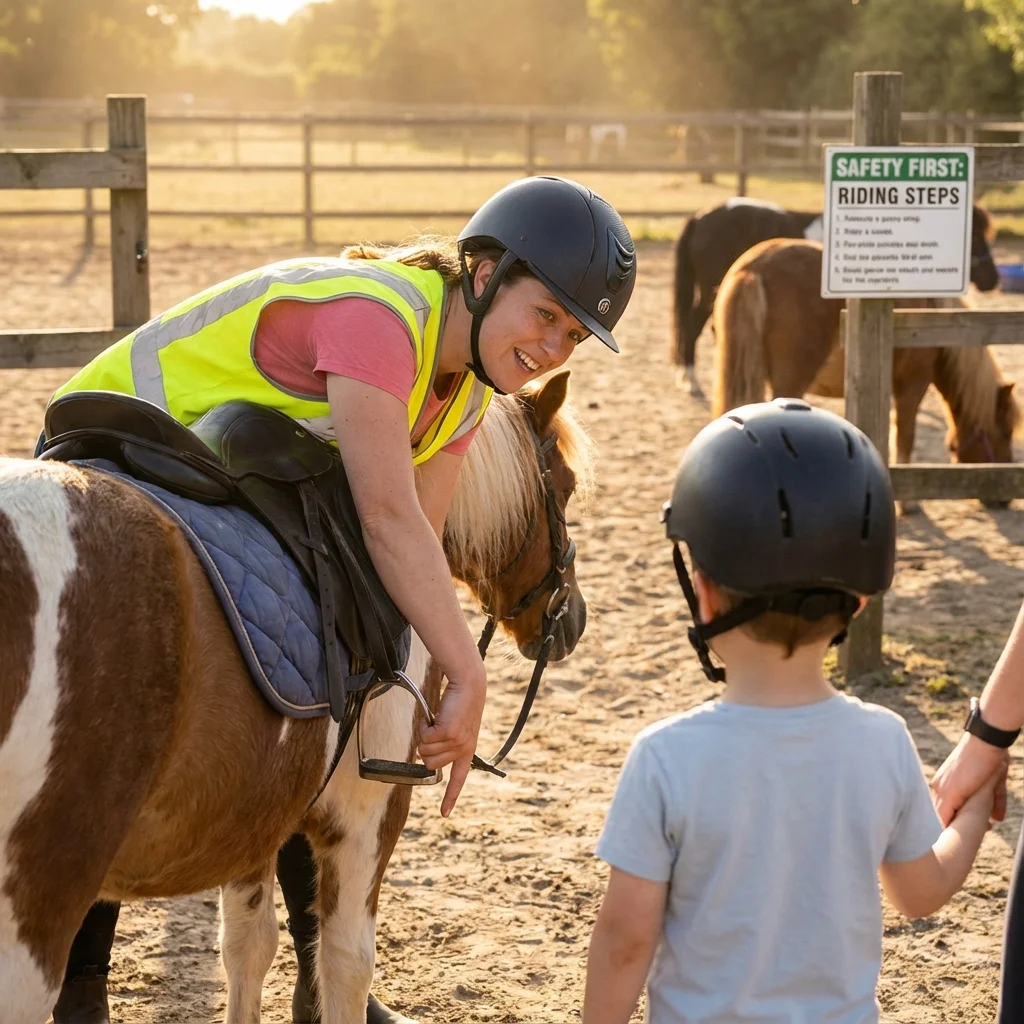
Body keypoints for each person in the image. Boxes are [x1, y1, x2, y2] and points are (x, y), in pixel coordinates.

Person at [45, 175, 637, 1024]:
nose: (553, 348)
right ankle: (79, 986)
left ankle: (320, 972)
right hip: (124, 440)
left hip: (229, 466)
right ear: (482, 272)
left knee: (326, 647)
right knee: (123, 690)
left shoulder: (469, 389)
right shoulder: (381, 318)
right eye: (545, 314)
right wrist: (467, 677)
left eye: (574, 336)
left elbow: (411, 558)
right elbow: (389, 516)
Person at [582, 399, 1007, 1024]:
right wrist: (972, 809)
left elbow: (624, 943)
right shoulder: (883, 741)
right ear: (859, 601)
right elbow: (921, 893)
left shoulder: (665, 758)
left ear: (701, 592)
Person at [931, 595, 1024, 1023]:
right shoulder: (879, 737)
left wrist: (985, 747)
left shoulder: (692, 742)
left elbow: (921, 894)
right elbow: (919, 889)